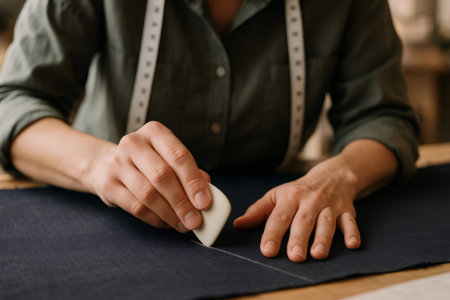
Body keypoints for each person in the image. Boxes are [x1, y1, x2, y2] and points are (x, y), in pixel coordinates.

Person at [0, 0, 419, 262]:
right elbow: (12, 102)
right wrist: (97, 164)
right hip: (103, 224)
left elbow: (383, 116)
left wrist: (338, 175)